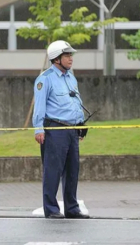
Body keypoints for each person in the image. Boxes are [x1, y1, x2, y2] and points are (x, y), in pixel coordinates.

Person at [32, 40, 90, 219]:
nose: (71, 58)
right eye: (67, 55)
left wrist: (80, 124)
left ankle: (72, 208)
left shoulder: (71, 77)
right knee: (53, 170)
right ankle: (51, 209)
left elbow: (75, 102)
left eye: (71, 55)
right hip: (55, 129)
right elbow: (39, 106)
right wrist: (38, 129)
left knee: (72, 170)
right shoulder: (45, 79)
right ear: (56, 59)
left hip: (72, 130)